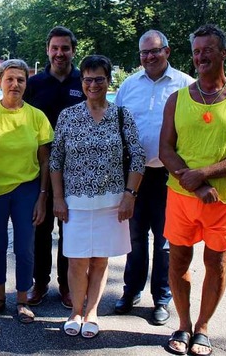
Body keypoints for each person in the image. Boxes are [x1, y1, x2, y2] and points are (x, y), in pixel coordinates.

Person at [159, 24, 226, 356]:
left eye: (208, 50)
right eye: (197, 51)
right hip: (181, 197)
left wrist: (204, 175)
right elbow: (166, 150)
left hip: (223, 200)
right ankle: (184, 325)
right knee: (178, 262)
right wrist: (193, 181)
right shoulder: (177, 99)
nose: (201, 56)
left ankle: (202, 327)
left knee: (216, 264)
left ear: (223, 54)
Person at [50, 54, 145, 339]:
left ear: (108, 81)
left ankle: (92, 312)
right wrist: (57, 198)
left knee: (100, 260)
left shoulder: (121, 115)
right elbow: (56, 160)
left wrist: (130, 195)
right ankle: (75, 311)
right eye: (88, 79)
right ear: (82, 82)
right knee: (77, 259)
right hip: (75, 202)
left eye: (99, 79)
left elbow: (138, 157)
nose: (93, 84)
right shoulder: (68, 115)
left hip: (111, 202)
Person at [114, 30, 194, 325]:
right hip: (135, 174)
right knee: (133, 238)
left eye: (154, 51)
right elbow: (117, 126)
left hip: (170, 176)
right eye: (144, 53)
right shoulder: (129, 85)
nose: (149, 57)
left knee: (166, 241)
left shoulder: (185, 84)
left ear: (167, 52)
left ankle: (162, 298)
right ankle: (131, 291)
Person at [0, 59, 54, 324]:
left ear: (26, 84)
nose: (15, 84)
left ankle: (22, 299)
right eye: (9, 79)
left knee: (25, 248)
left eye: (20, 80)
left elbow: (45, 160)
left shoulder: (36, 117)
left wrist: (43, 197)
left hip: (27, 188)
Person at [22, 26, 86, 308]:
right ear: (47, 50)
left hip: (75, 169)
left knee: (70, 228)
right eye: (55, 48)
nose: (60, 53)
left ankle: (66, 285)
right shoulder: (34, 84)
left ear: (73, 50)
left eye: (65, 48)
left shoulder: (83, 81)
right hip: (40, 168)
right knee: (41, 228)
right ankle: (40, 283)